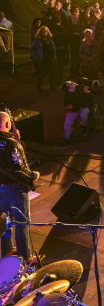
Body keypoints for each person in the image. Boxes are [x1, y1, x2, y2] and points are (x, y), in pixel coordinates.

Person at [0, 111, 39, 261]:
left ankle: (7, 250)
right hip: (14, 188)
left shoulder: (9, 142)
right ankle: (25, 256)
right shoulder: (11, 144)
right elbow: (19, 169)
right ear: (8, 124)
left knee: (4, 220)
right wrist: (33, 175)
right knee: (22, 222)